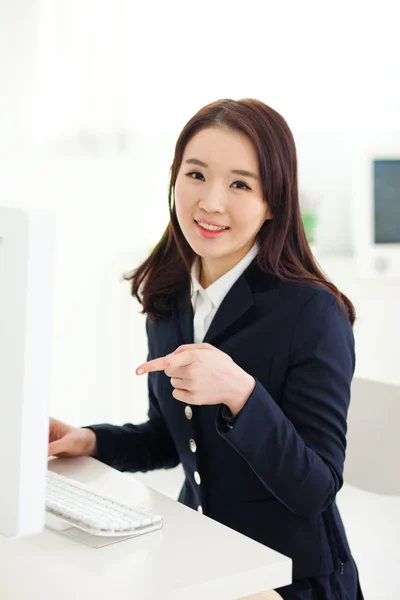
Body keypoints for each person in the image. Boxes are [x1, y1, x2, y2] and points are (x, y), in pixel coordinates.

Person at [48, 98, 364, 599]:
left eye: (240, 184)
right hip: (198, 556)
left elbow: (316, 489)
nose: (211, 202)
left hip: (287, 578)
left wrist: (241, 393)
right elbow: (168, 435)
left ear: (274, 202)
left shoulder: (313, 313)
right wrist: (89, 440)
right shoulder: (169, 292)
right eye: (196, 175)